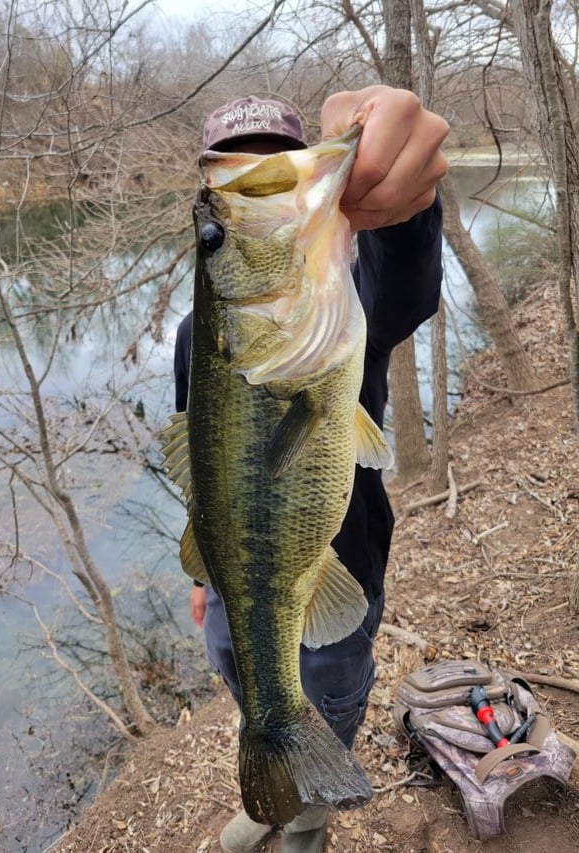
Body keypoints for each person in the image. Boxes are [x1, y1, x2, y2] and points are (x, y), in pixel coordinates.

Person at [173, 88, 449, 853]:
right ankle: (276, 781)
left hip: (336, 565)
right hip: (230, 573)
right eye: (234, 188)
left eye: (276, 171)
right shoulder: (198, 332)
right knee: (247, 673)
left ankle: (306, 817)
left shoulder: (347, 294)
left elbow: (408, 283)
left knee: (327, 694)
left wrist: (403, 209)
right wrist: (198, 572)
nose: (259, 190)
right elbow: (198, 459)